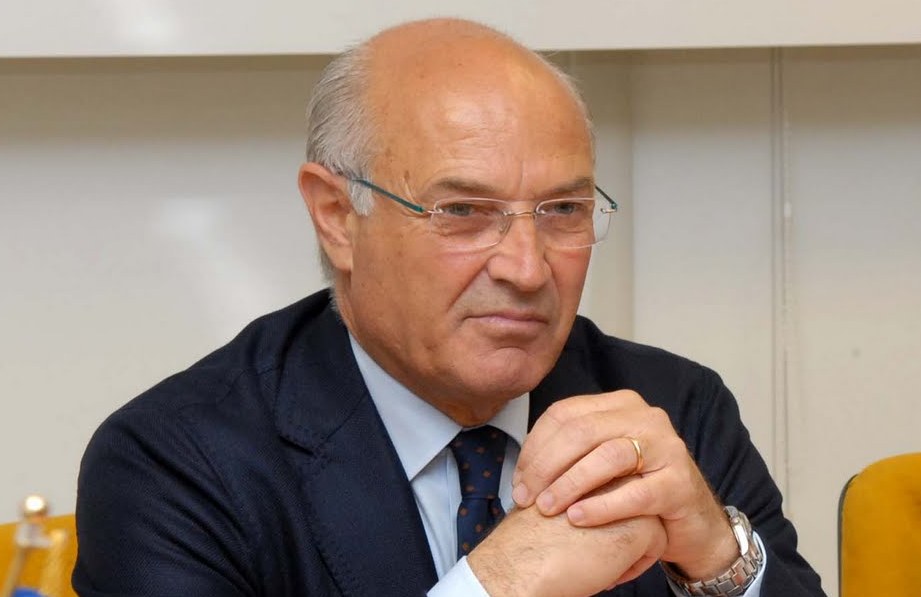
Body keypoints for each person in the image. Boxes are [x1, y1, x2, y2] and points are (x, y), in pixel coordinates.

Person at [73, 17, 825, 597]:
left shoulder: (671, 407)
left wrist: (717, 560)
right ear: (337, 217)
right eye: (463, 211)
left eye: (563, 210)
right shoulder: (178, 462)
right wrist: (493, 585)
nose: (527, 269)